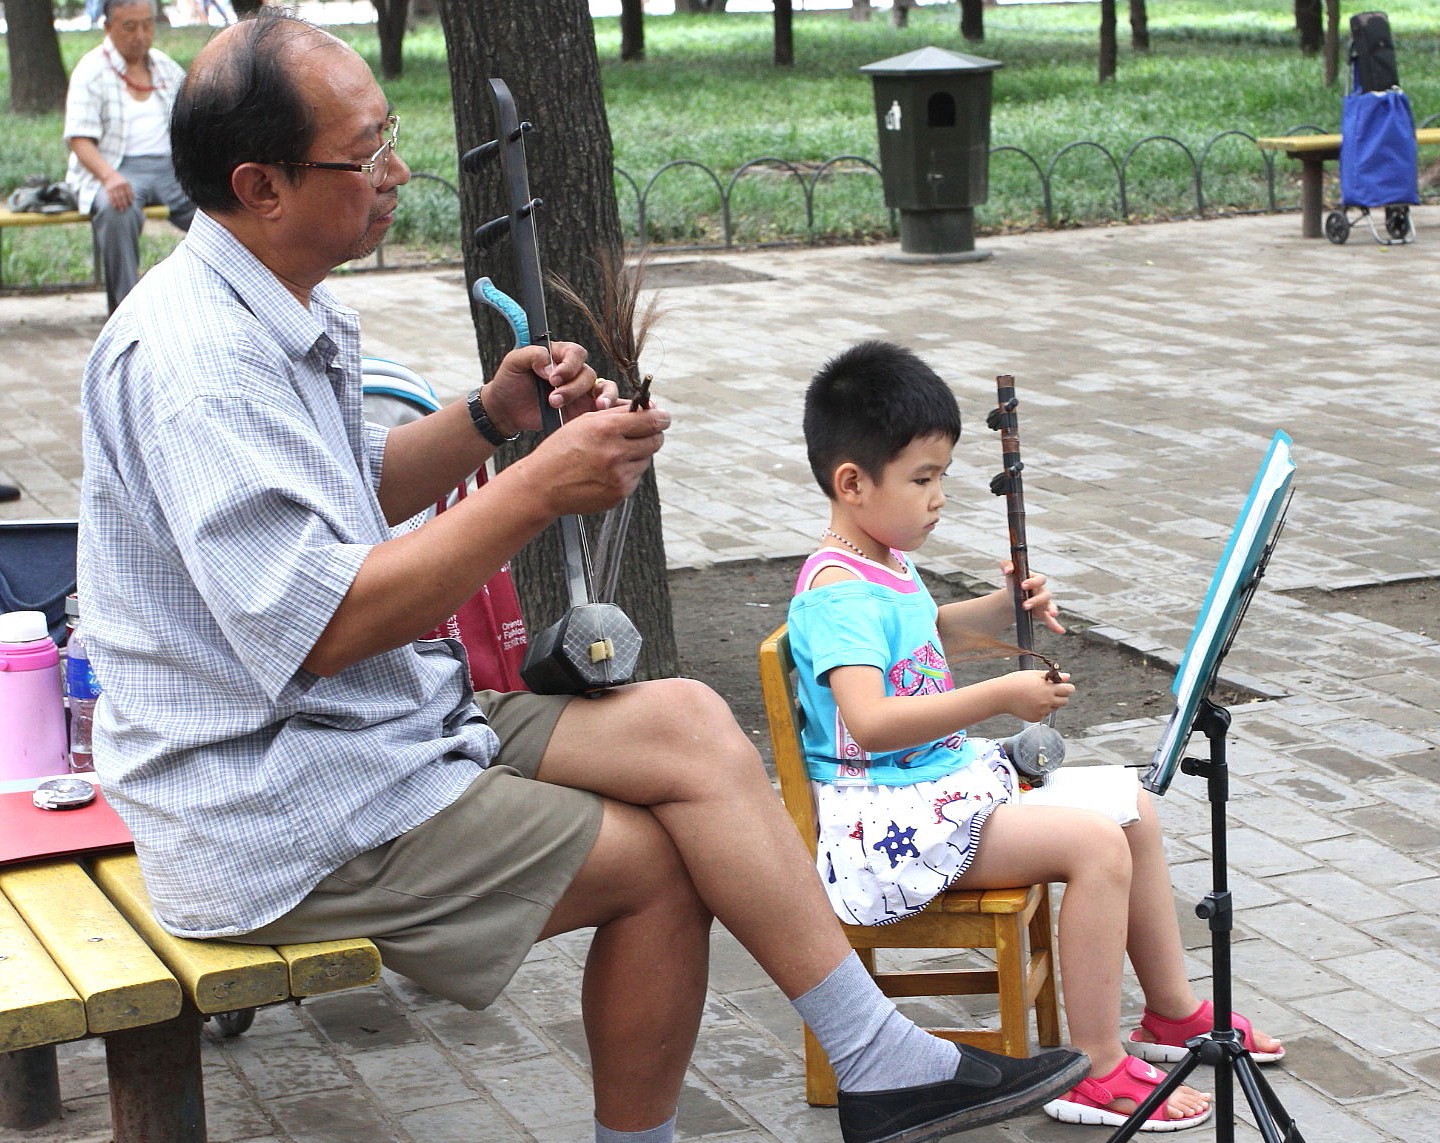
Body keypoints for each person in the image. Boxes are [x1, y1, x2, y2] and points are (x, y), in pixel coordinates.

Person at [76, 13, 1085, 1143]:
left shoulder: (274, 305)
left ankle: (877, 1059)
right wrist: (537, 486)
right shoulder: (195, 361)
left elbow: (340, 489)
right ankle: (820, 1080)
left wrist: (487, 422)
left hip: (362, 725)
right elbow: (322, 623)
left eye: (390, 139)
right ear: (260, 186)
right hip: (276, 797)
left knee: (689, 724)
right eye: (364, 156)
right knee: (662, 864)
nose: (395, 172)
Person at [785, 342, 1287, 1133]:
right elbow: (871, 719)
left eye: (943, 475)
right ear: (852, 482)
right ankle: (1088, 1067)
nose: (939, 497)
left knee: (1130, 809)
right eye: (922, 478)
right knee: (1094, 847)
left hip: (931, 789)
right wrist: (1001, 695)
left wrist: (996, 611)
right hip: (889, 822)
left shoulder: (880, 561)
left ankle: (1172, 1012)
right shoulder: (836, 590)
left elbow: (921, 635)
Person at [64, 0, 197, 312]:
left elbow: (191, 118)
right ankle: (125, 314)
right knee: (116, 210)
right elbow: (79, 139)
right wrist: (110, 178)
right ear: (108, 28)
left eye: (147, 25)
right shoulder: (91, 71)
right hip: (114, 168)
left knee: (220, 206)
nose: (141, 35)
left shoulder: (164, 67)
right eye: (129, 26)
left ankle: (220, 298)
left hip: (169, 168)